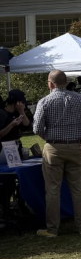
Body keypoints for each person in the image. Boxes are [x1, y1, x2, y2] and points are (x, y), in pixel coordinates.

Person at [33, 70, 81, 237]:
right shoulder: (78, 98)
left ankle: (52, 229)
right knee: (77, 189)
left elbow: (36, 128)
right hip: (76, 147)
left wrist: (46, 136)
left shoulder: (45, 101)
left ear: (50, 83)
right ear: (65, 81)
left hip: (54, 147)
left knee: (53, 190)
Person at [0, 89, 30, 222]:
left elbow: (27, 125)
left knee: (22, 177)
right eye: (21, 102)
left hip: (17, 147)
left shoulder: (19, 112)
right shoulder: (2, 113)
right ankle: (5, 209)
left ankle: (21, 205)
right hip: (4, 148)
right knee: (8, 181)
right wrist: (12, 124)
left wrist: (22, 112)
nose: (22, 104)